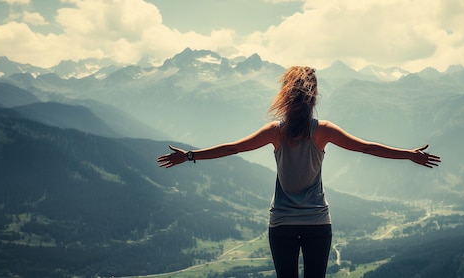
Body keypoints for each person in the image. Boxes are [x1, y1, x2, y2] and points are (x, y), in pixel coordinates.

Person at [157, 66, 441, 278]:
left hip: (282, 224)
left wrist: (190, 156)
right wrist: (408, 155)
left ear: (286, 96)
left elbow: (233, 148)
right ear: (313, 97)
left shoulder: (276, 132)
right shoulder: (323, 130)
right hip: (318, 222)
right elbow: (366, 148)